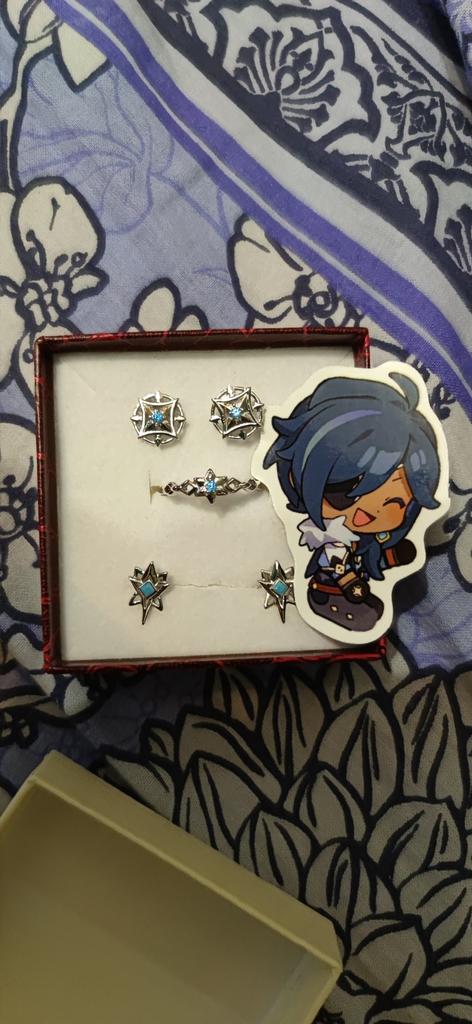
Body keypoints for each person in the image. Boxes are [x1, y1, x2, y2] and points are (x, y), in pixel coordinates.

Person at [263, 371, 441, 632]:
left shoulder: (357, 538)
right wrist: (349, 583)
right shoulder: (329, 538)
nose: (363, 515)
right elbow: (336, 565)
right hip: (332, 587)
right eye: (345, 493)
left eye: (394, 505)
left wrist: (391, 555)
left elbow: (366, 552)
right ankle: (331, 599)